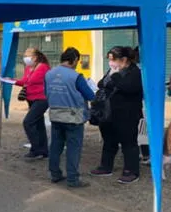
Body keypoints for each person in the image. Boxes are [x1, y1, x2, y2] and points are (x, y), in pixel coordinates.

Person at [90, 47, 143, 184]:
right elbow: (102, 83)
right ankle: (105, 166)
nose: (111, 63)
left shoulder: (134, 72)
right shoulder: (113, 71)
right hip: (109, 113)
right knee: (109, 141)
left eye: (113, 60)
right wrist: (111, 76)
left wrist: (115, 76)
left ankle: (131, 171)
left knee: (128, 143)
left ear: (124, 60)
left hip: (127, 114)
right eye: (109, 59)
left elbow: (128, 88)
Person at [45, 47, 96, 188]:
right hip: (74, 118)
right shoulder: (76, 76)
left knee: (56, 146)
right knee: (73, 148)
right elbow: (90, 95)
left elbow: (45, 93)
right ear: (74, 60)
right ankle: (73, 179)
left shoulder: (49, 74)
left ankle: (54, 174)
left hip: (55, 115)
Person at [14, 48, 50, 160]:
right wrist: (10, 80)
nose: (25, 57)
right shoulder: (28, 68)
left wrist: (13, 81)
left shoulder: (43, 67)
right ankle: (43, 151)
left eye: (27, 55)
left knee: (28, 122)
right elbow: (25, 81)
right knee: (39, 124)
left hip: (42, 99)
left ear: (35, 57)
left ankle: (36, 149)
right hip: (31, 98)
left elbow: (29, 81)